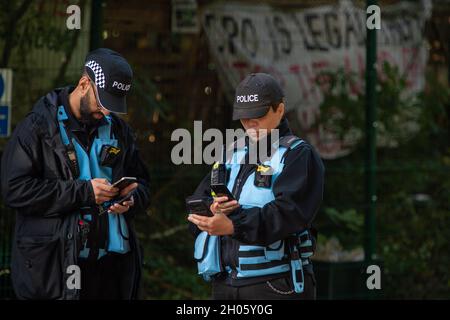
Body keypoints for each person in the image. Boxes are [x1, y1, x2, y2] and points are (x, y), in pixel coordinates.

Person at [1, 48, 150, 300]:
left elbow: (144, 183)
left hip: (110, 272)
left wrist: (133, 199)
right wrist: (84, 192)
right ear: (84, 83)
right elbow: (14, 189)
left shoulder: (119, 130)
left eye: (113, 106)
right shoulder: (38, 127)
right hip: (54, 271)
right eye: (103, 103)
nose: (106, 112)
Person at [188, 73, 324, 300]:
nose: (250, 123)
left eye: (257, 115)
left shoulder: (299, 155)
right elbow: (200, 198)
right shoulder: (231, 152)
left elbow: (288, 214)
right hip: (225, 285)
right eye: (244, 117)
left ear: (279, 110)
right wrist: (207, 213)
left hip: (277, 285)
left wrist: (233, 225)